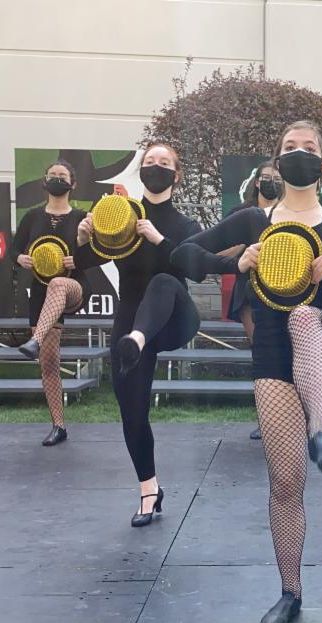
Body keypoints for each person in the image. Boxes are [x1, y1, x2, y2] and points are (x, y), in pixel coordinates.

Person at [171, 120, 322, 623]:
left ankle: (320, 430)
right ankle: (291, 592)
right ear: (277, 162)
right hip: (273, 355)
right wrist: (236, 262)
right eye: (289, 147)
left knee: (303, 315)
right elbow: (183, 254)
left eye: (308, 148)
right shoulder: (252, 221)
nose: (298, 153)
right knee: (285, 482)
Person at [74, 143, 201, 527]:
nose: (155, 167)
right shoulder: (122, 214)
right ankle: (149, 490)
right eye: (149, 162)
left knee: (163, 281)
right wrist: (83, 238)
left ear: (176, 175)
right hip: (130, 323)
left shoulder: (184, 225)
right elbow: (83, 261)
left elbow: (196, 270)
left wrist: (159, 239)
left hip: (174, 319)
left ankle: (139, 338)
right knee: (131, 410)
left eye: (164, 163)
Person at [13, 160, 90, 446]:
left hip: (73, 286)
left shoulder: (82, 216)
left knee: (58, 283)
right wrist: (20, 258)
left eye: (62, 175)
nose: (57, 178)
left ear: (73, 183)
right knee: (48, 362)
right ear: (45, 181)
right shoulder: (32, 217)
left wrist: (78, 257)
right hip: (41, 293)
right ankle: (59, 425)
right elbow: (14, 249)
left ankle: (34, 340)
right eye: (53, 175)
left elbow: (98, 253)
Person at [226, 161, 283, 440]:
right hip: (249, 290)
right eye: (267, 177)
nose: (272, 182)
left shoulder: (288, 213)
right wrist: (244, 245)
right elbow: (220, 251)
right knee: (261, 351)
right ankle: (267, 419)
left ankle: (292, 417)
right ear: (257, 182)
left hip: (284, 291)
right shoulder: (241, 213)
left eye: (277, 178)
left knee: (286, 354)